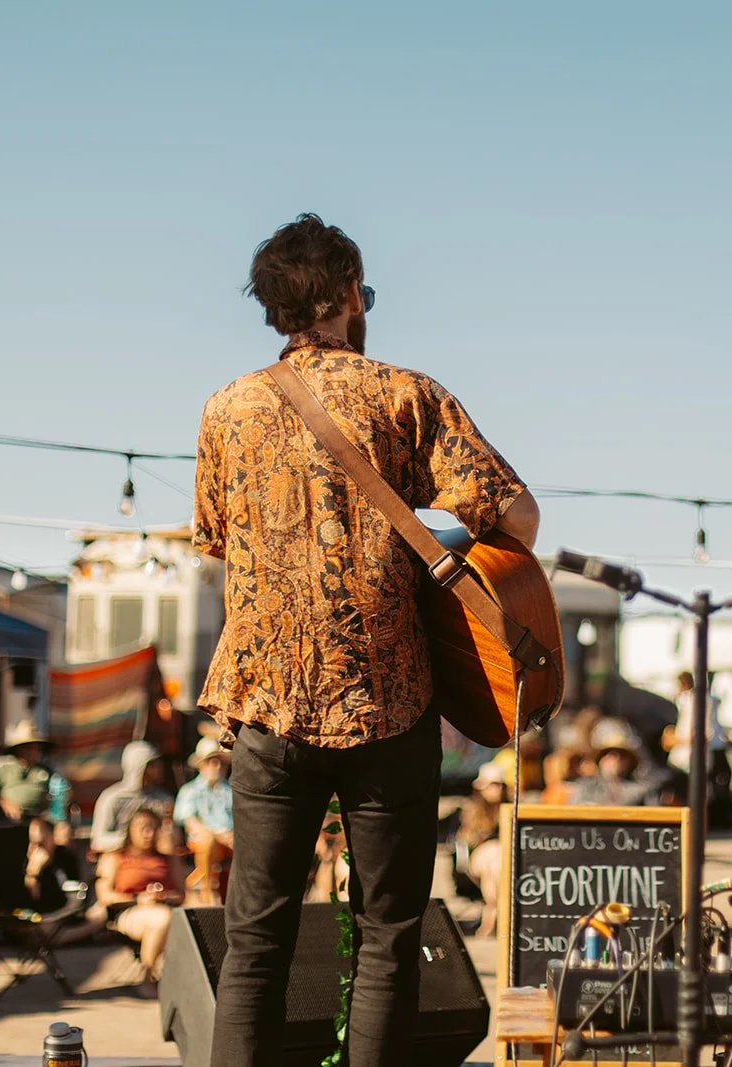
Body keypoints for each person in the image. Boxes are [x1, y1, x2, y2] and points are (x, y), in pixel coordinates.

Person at [199, 214, 539, 1067]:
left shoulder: (227, 409)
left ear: (273, 308)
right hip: (388, 700)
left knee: (254, 943)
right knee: (389, 933)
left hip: (267, 707)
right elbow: (520, 516)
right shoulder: (405, 394)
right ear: (350, 293)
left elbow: (214, 539)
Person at [93, 807, 184, 989]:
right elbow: (105, 895)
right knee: (161, 919)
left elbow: (181, 894)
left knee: (168, 918)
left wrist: (162, 896)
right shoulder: (115, 857)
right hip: (127, 911)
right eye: (143, 828)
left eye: (153, 828)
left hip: (163, 907)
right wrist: (138, 898)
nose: (148, 834)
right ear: (130, 829)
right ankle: (147, 976)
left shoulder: (168, 860)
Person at [665, 670, 732, 826]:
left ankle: (697, 828)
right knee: (687, 795)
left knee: (697, 796)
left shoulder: (700, 701)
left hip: (692, 757)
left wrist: (678, 740)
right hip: (685, 757)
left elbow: (703, 734)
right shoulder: (690, 700)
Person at [177, 736, 235, 905]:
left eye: (220, 761)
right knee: (207, 841)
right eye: (211, 761)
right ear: (201, 765)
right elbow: (191, 823)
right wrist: (219, 836)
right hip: (205, 843)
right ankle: (207, 893)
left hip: (230, 842)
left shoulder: (230, 791)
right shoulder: (189, 791)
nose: (217, 766)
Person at [91, 740, 176, 854]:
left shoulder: (163, 799)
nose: (159, 768)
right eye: (152, 764)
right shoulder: (112, 798)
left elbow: (173, 840)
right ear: (138, 766)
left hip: (155, 860)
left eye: (158, 763)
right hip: (121, 860)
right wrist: (131, 840)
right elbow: (98, 840)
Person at [454, 763, 508, 936]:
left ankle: (492, 912)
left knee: (496, 863)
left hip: (500, 861)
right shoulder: (472, 810)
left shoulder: (509, 808)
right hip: (479, 858)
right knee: (494, 857)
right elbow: (465, 841)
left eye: (500, 785)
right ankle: (497, 912)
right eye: (492, 785)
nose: (497, 789)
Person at [0, 721, 57, 822]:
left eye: (37, 747)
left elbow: (58, 792)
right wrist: (5, 804)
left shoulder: (46, 769)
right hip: (7, 819)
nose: (34, 751)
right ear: (19, 748)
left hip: (41, 819)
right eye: (29, 747)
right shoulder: (3, 765)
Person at [573, 724, 651, 806]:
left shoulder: (640, 793)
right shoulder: (585, 788)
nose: (616, 759)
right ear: (600, 760)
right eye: (609, 754)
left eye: (621, 755)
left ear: (629, 762)